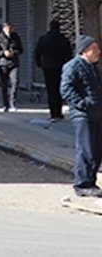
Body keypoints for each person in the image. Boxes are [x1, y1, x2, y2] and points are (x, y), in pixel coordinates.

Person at [60, 36, 102, 197]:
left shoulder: (93, 67)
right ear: (84, 51)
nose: (98, 52)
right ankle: (82, 183)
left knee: (96, 150)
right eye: (94, 49)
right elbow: (66, 89)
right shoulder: (73, 66)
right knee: (86, 150)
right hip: (83, 115)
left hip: (97, 114)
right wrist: (84, 103)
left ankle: (90, 182)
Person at [35, 19, 73, 121]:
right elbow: (69, 54)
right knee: (59, 89)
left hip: (47, 67)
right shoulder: (63, 40)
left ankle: (53, 113)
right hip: (60, 67)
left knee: (51, 90)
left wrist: (39, 63)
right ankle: (59, 112)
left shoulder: (44, 39)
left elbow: (37, 52)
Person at [0, 21, 24, 112]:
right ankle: (5, 104)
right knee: (4, 84)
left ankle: (13, 102)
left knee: (15, 82)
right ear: (3, 29)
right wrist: (3, 53)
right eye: (7, 29)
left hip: (14, 62)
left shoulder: (16, 37)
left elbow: (21, 49)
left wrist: (14, 52)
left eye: (11, 28)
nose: (9, 30)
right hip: (3, 63)